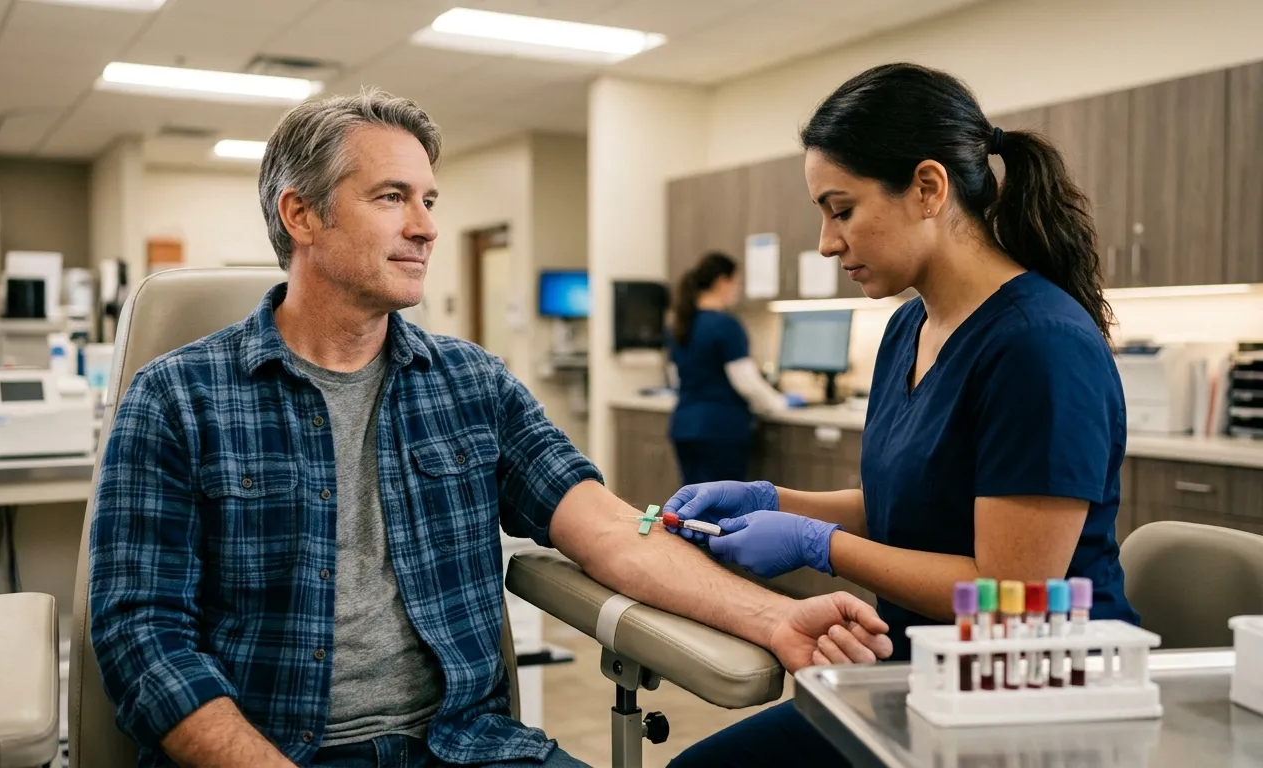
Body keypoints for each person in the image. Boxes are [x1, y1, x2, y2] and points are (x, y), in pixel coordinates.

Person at [88, 87, 894, 768]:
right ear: (300, 214)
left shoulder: (473, 385)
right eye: (391, 197)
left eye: (429, 199)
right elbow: (140, 635)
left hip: (467, 745)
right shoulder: (178, 399)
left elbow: (612, 531)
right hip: (276, 749)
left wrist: (776, 617)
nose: (427, 226)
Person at [664, 62, 1139, 766]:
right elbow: (914, 501)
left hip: (1031, 697)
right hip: (917, 676)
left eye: (841, 209)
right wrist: (771, 500)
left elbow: (1009, 595)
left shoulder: (1039, 347)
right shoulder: (907, 330)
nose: (827, 242)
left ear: (927, 187)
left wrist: (814, 546)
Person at [667, 253, 802, 485]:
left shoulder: (679, 324)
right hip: (719, 430)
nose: (736, 290)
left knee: (692, 502)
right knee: (722, 504)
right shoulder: (725, 325)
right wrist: (779, 403)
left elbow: (674, 378)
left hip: (684, 426)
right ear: (722, 281)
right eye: (736, 283)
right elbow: (746, 381)